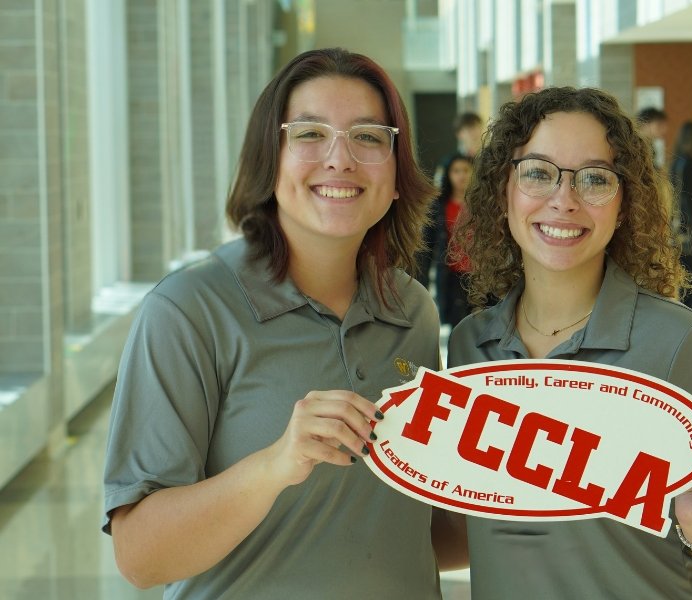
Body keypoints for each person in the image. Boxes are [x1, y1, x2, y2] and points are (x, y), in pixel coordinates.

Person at [102, 48, 466, 599]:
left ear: (396, 176)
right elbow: (140, 558)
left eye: (368, 137)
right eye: (310, 133)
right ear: (268, 161)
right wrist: (276, 464)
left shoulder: (412, 311)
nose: (340, 159)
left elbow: (408, 531)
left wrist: (558, 495)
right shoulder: (188, 312)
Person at [448, 87, 692, 599]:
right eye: (537, 171)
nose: (564, 199)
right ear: (502, 190)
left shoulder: (680, 344)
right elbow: (475, 527)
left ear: (625, 205)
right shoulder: (471, 347)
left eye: (595, 179)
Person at [417, 112, 485, 289]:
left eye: (476, 127)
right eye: (468, 129)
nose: (473, 133)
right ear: (460, 134)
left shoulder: (489, 162)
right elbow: (440, 196)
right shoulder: (449, 164)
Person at [433, 153, 475, 327]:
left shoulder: (483, 204)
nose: (461, 175)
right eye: (456, 171)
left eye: (465, 170)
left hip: (481, 276)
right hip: (453, 277)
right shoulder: (439, 207)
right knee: (458, 326)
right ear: (448, 175)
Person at [670, 120, 692, 311]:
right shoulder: (688, 164)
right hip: (688, 231)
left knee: (685, 279)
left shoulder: (676, 161)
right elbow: (689, 200)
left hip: (677, 229)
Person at [636, 106, 669, 170]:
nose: (664, 129)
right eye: (659, 125)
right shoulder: (636, 145)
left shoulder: (649, 145)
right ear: (645, 123)